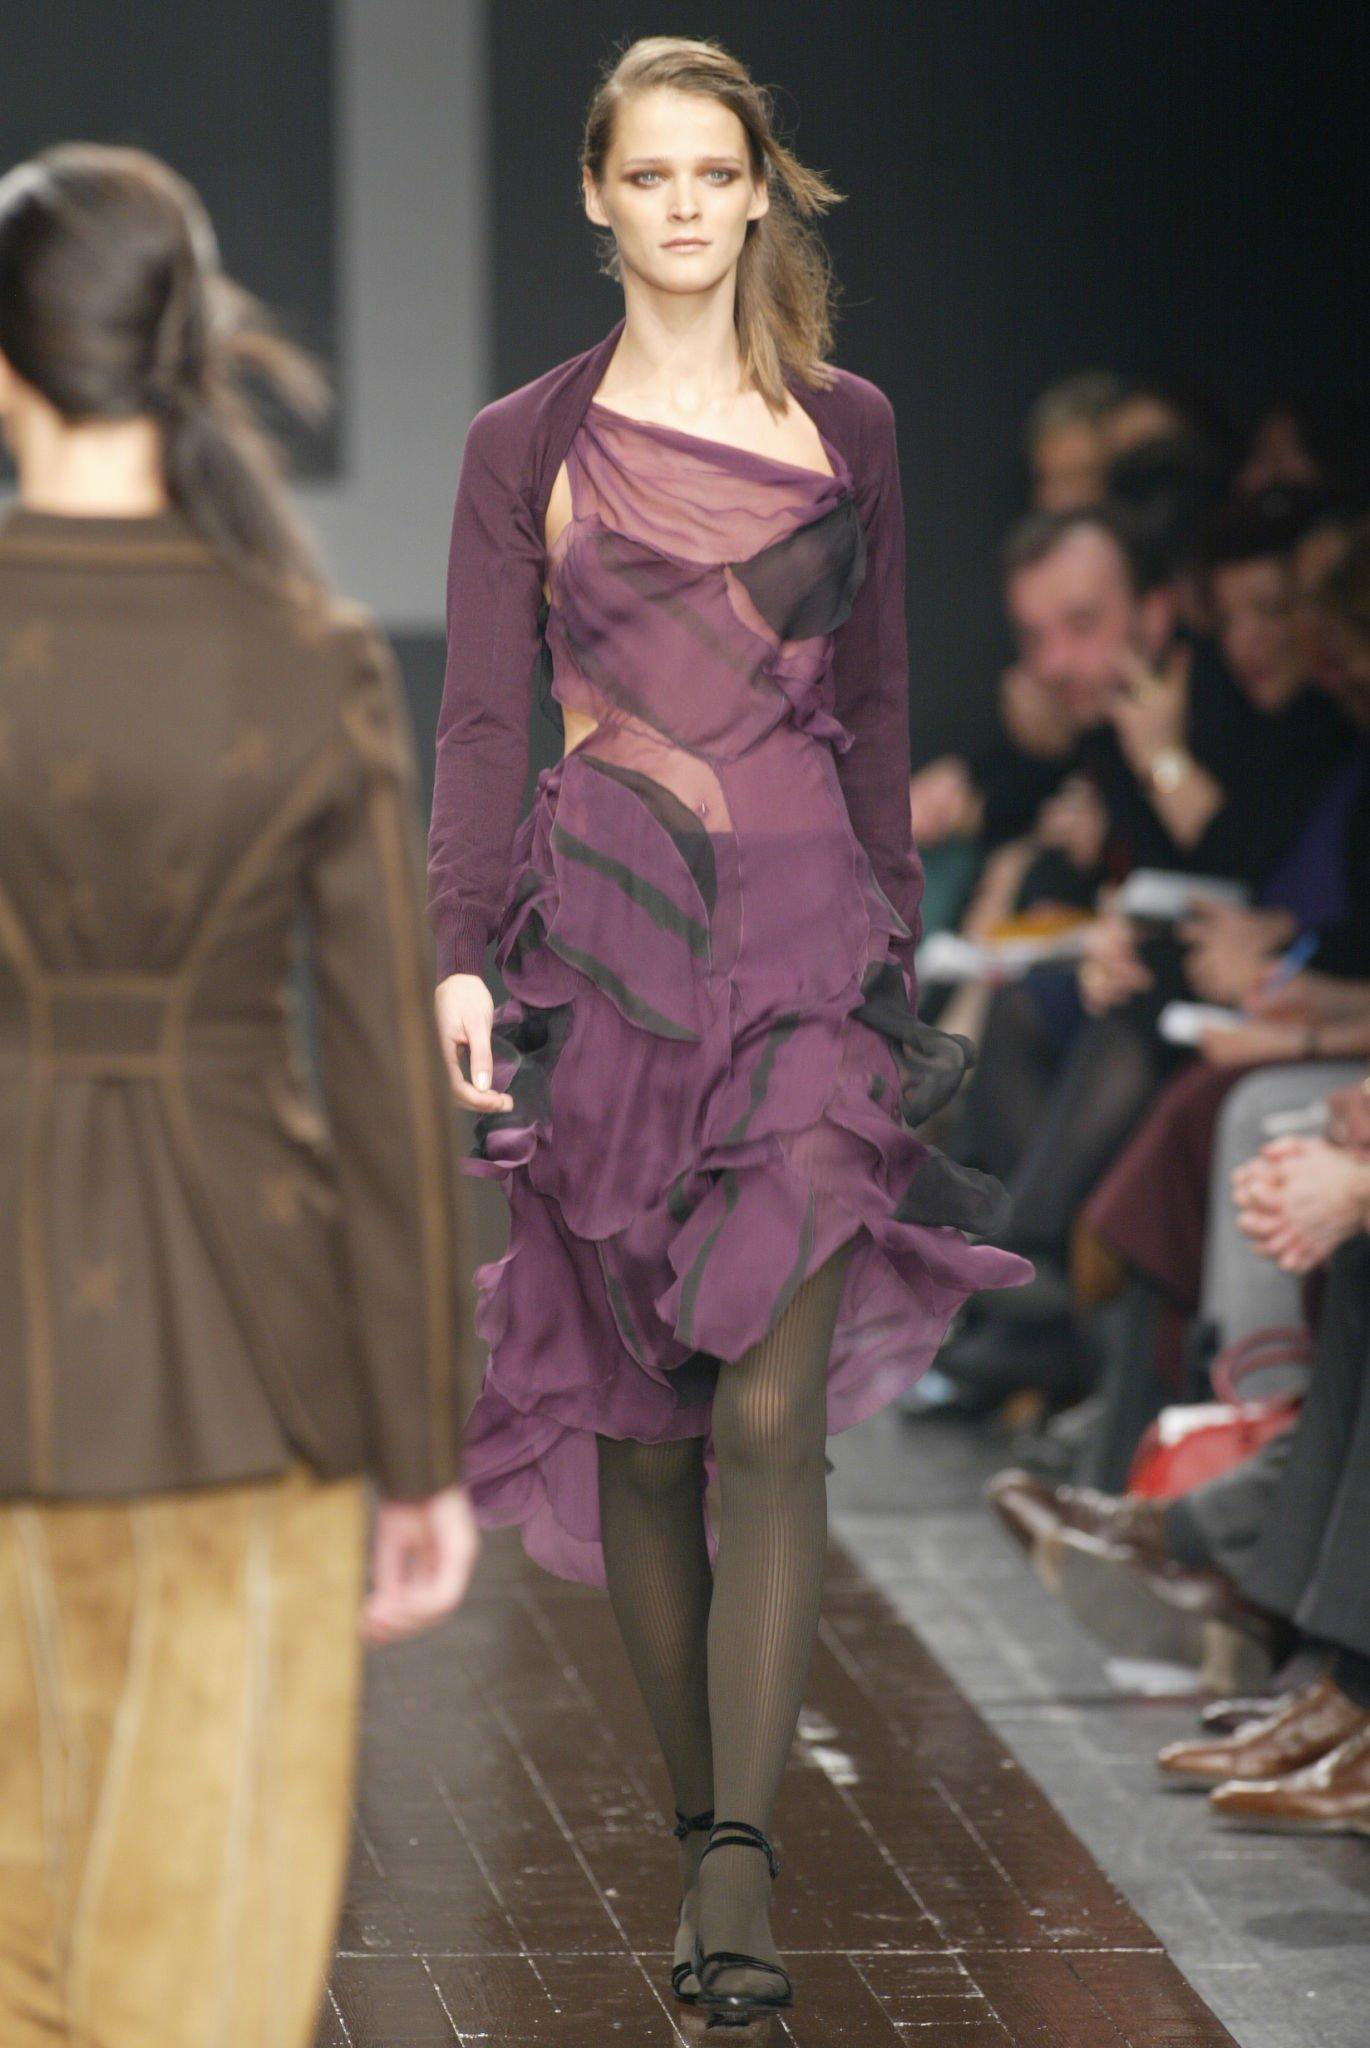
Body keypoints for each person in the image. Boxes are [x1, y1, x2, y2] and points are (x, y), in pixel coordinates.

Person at [426, 35, 1028, 2022]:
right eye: (649, 174)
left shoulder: (847, 424)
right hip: (606, 958)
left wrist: (892, 943)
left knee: (769, 1414)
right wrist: (458, 948)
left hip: (800, 953)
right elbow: (486, 716)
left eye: (714, 171)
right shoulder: (524, 440)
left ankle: (743, 1869)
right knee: (639, 1419)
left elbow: (877, 701)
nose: (683, 204)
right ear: (597, 199)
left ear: (761, 188)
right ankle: (700, 1828)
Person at [0, 146, 480, 2048]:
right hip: (248, 1368)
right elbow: (383, 1076)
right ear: (186, 349)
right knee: (193, 1982)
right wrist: (422, 1448)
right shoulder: (304, 655)